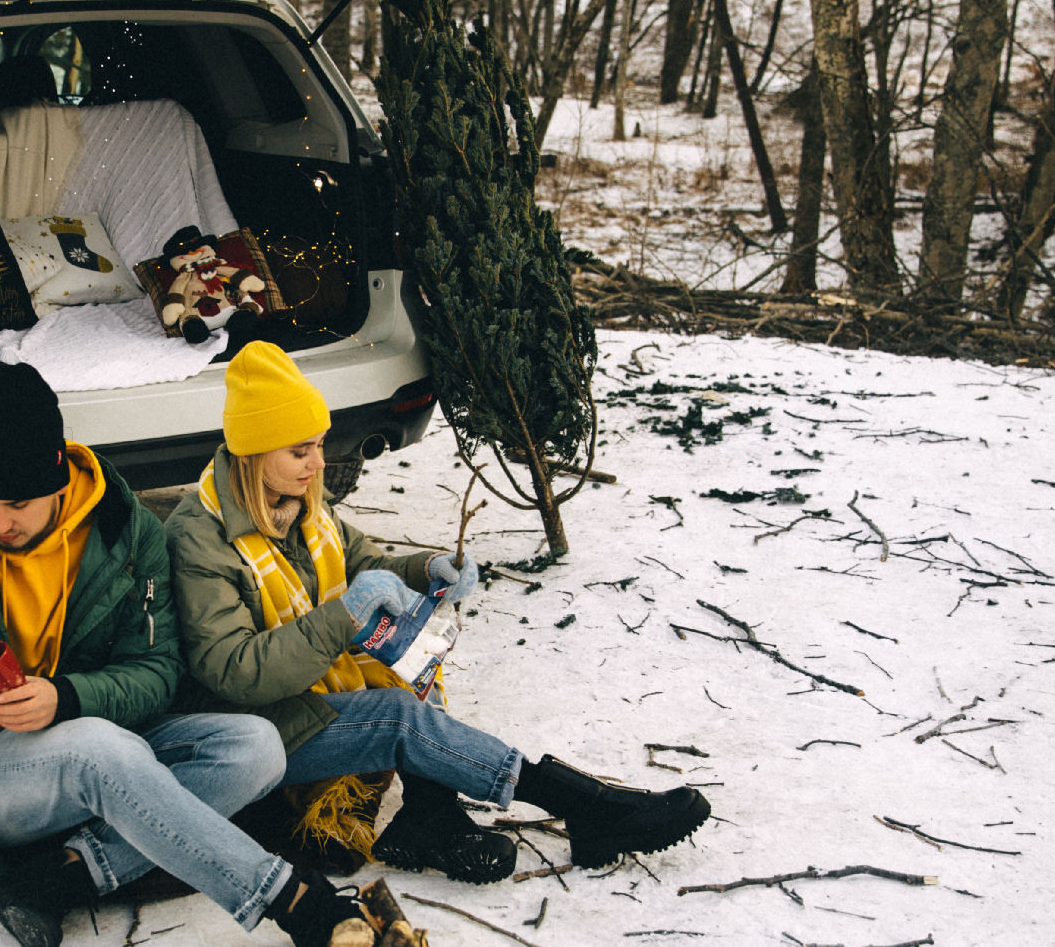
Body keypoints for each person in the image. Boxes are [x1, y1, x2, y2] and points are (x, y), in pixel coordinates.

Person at [0, 363, 363, 947]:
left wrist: (66, 697)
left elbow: (157, 672)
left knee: (255, 747)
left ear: (58, 484)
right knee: (97, 748)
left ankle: (60, 877)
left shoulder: (127, 540)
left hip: (103, 746)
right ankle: (289, 900)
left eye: (17, 504)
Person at [163, 342, 711, 882]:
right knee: (398, 716)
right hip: (246, 731)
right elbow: (232, 671)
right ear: (257, 450)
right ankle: (587, 807)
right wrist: (343, 618)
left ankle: (433, 814)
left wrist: (426, 569)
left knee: (406, 669)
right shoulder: (200, 538)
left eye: (320, 444)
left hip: (302, 698)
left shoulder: (297, 501)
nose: (319, 462)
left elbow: (364, 561)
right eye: (300, 450)